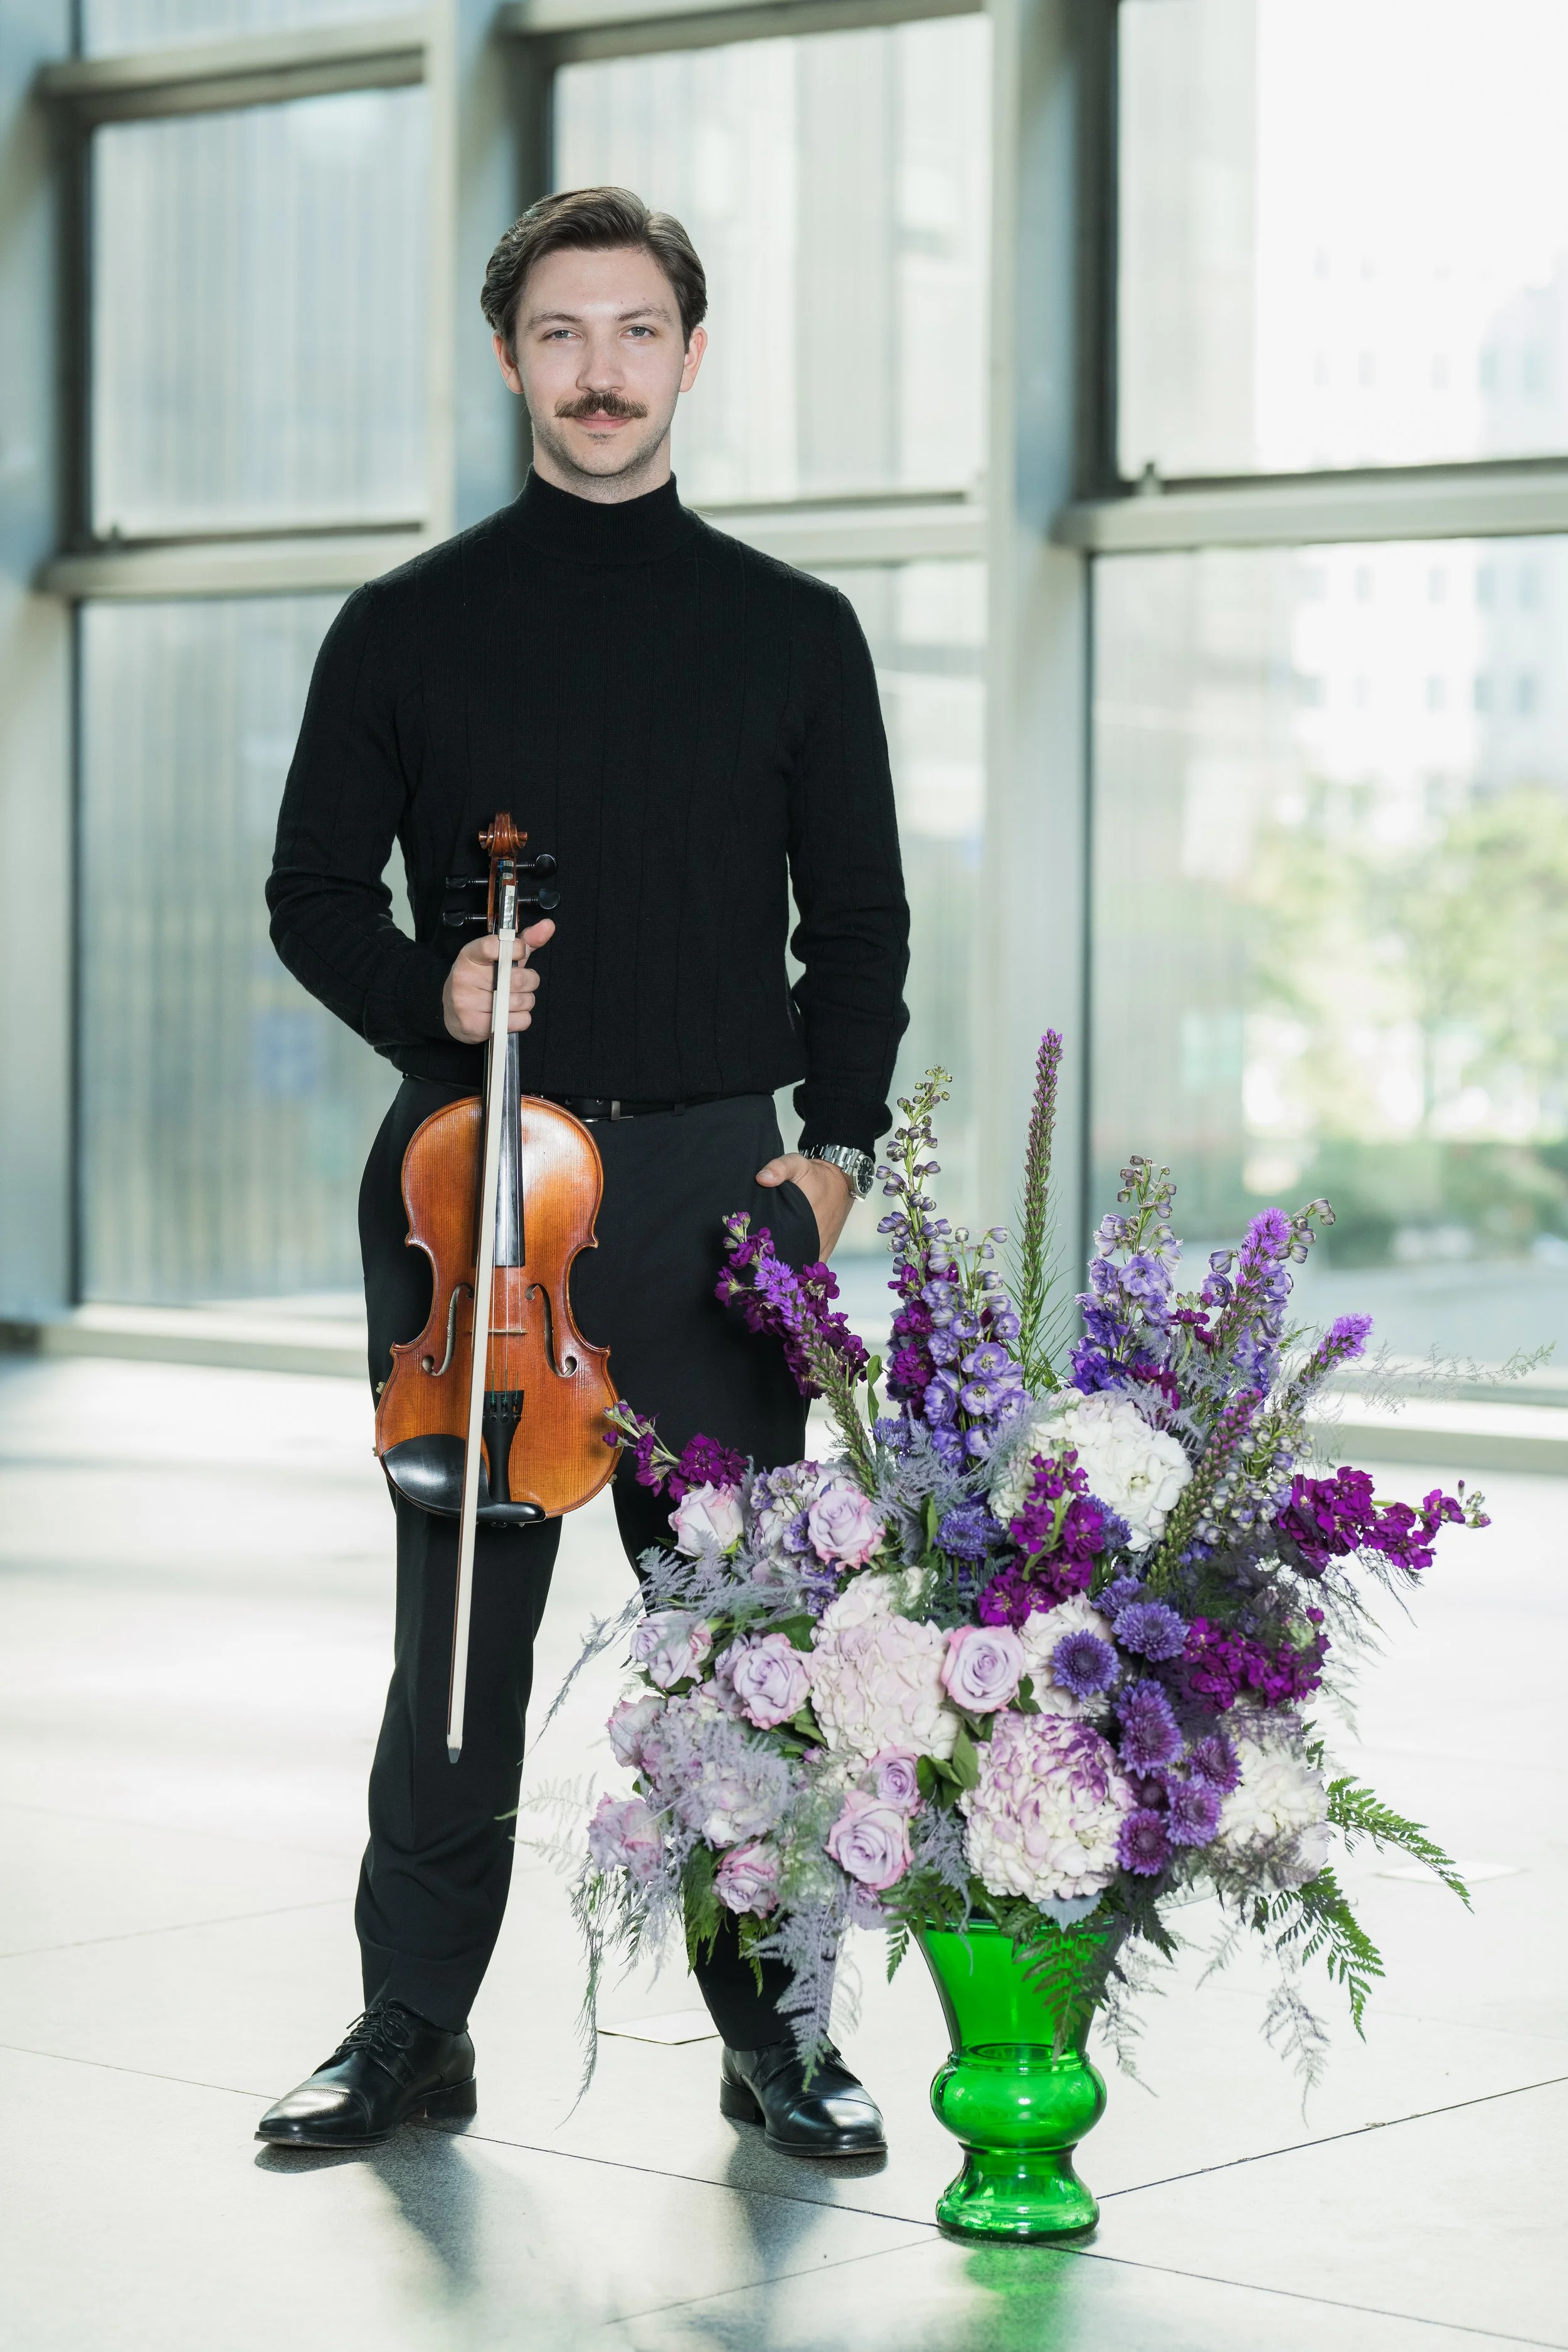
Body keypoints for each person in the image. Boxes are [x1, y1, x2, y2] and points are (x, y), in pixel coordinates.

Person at [257, 186, 909, 2158]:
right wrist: (429, 986)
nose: (601, 370)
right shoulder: (405, 625)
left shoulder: (797, 632)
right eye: (561, 333)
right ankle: (407, 2023)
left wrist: (833, 1164)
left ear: (691, 357)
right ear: (508, 358)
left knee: (743, 1643)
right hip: (474, 1193)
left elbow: (858, 930)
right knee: (456, 1622)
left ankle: (773, 2028)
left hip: (722, 1198)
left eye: (636, 332)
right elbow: (306, 894)